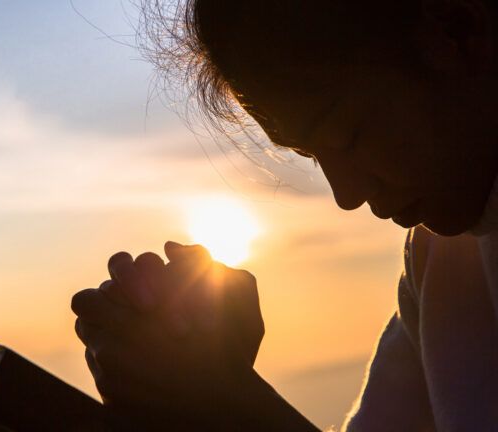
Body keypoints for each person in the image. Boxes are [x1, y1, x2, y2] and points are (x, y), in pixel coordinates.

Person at [71, 1, 498, 430]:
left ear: (457, 32)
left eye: (349, 135)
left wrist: (227, 403)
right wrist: (197, 376)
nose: (346, 196)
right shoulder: (441, 262)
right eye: (312, 156)